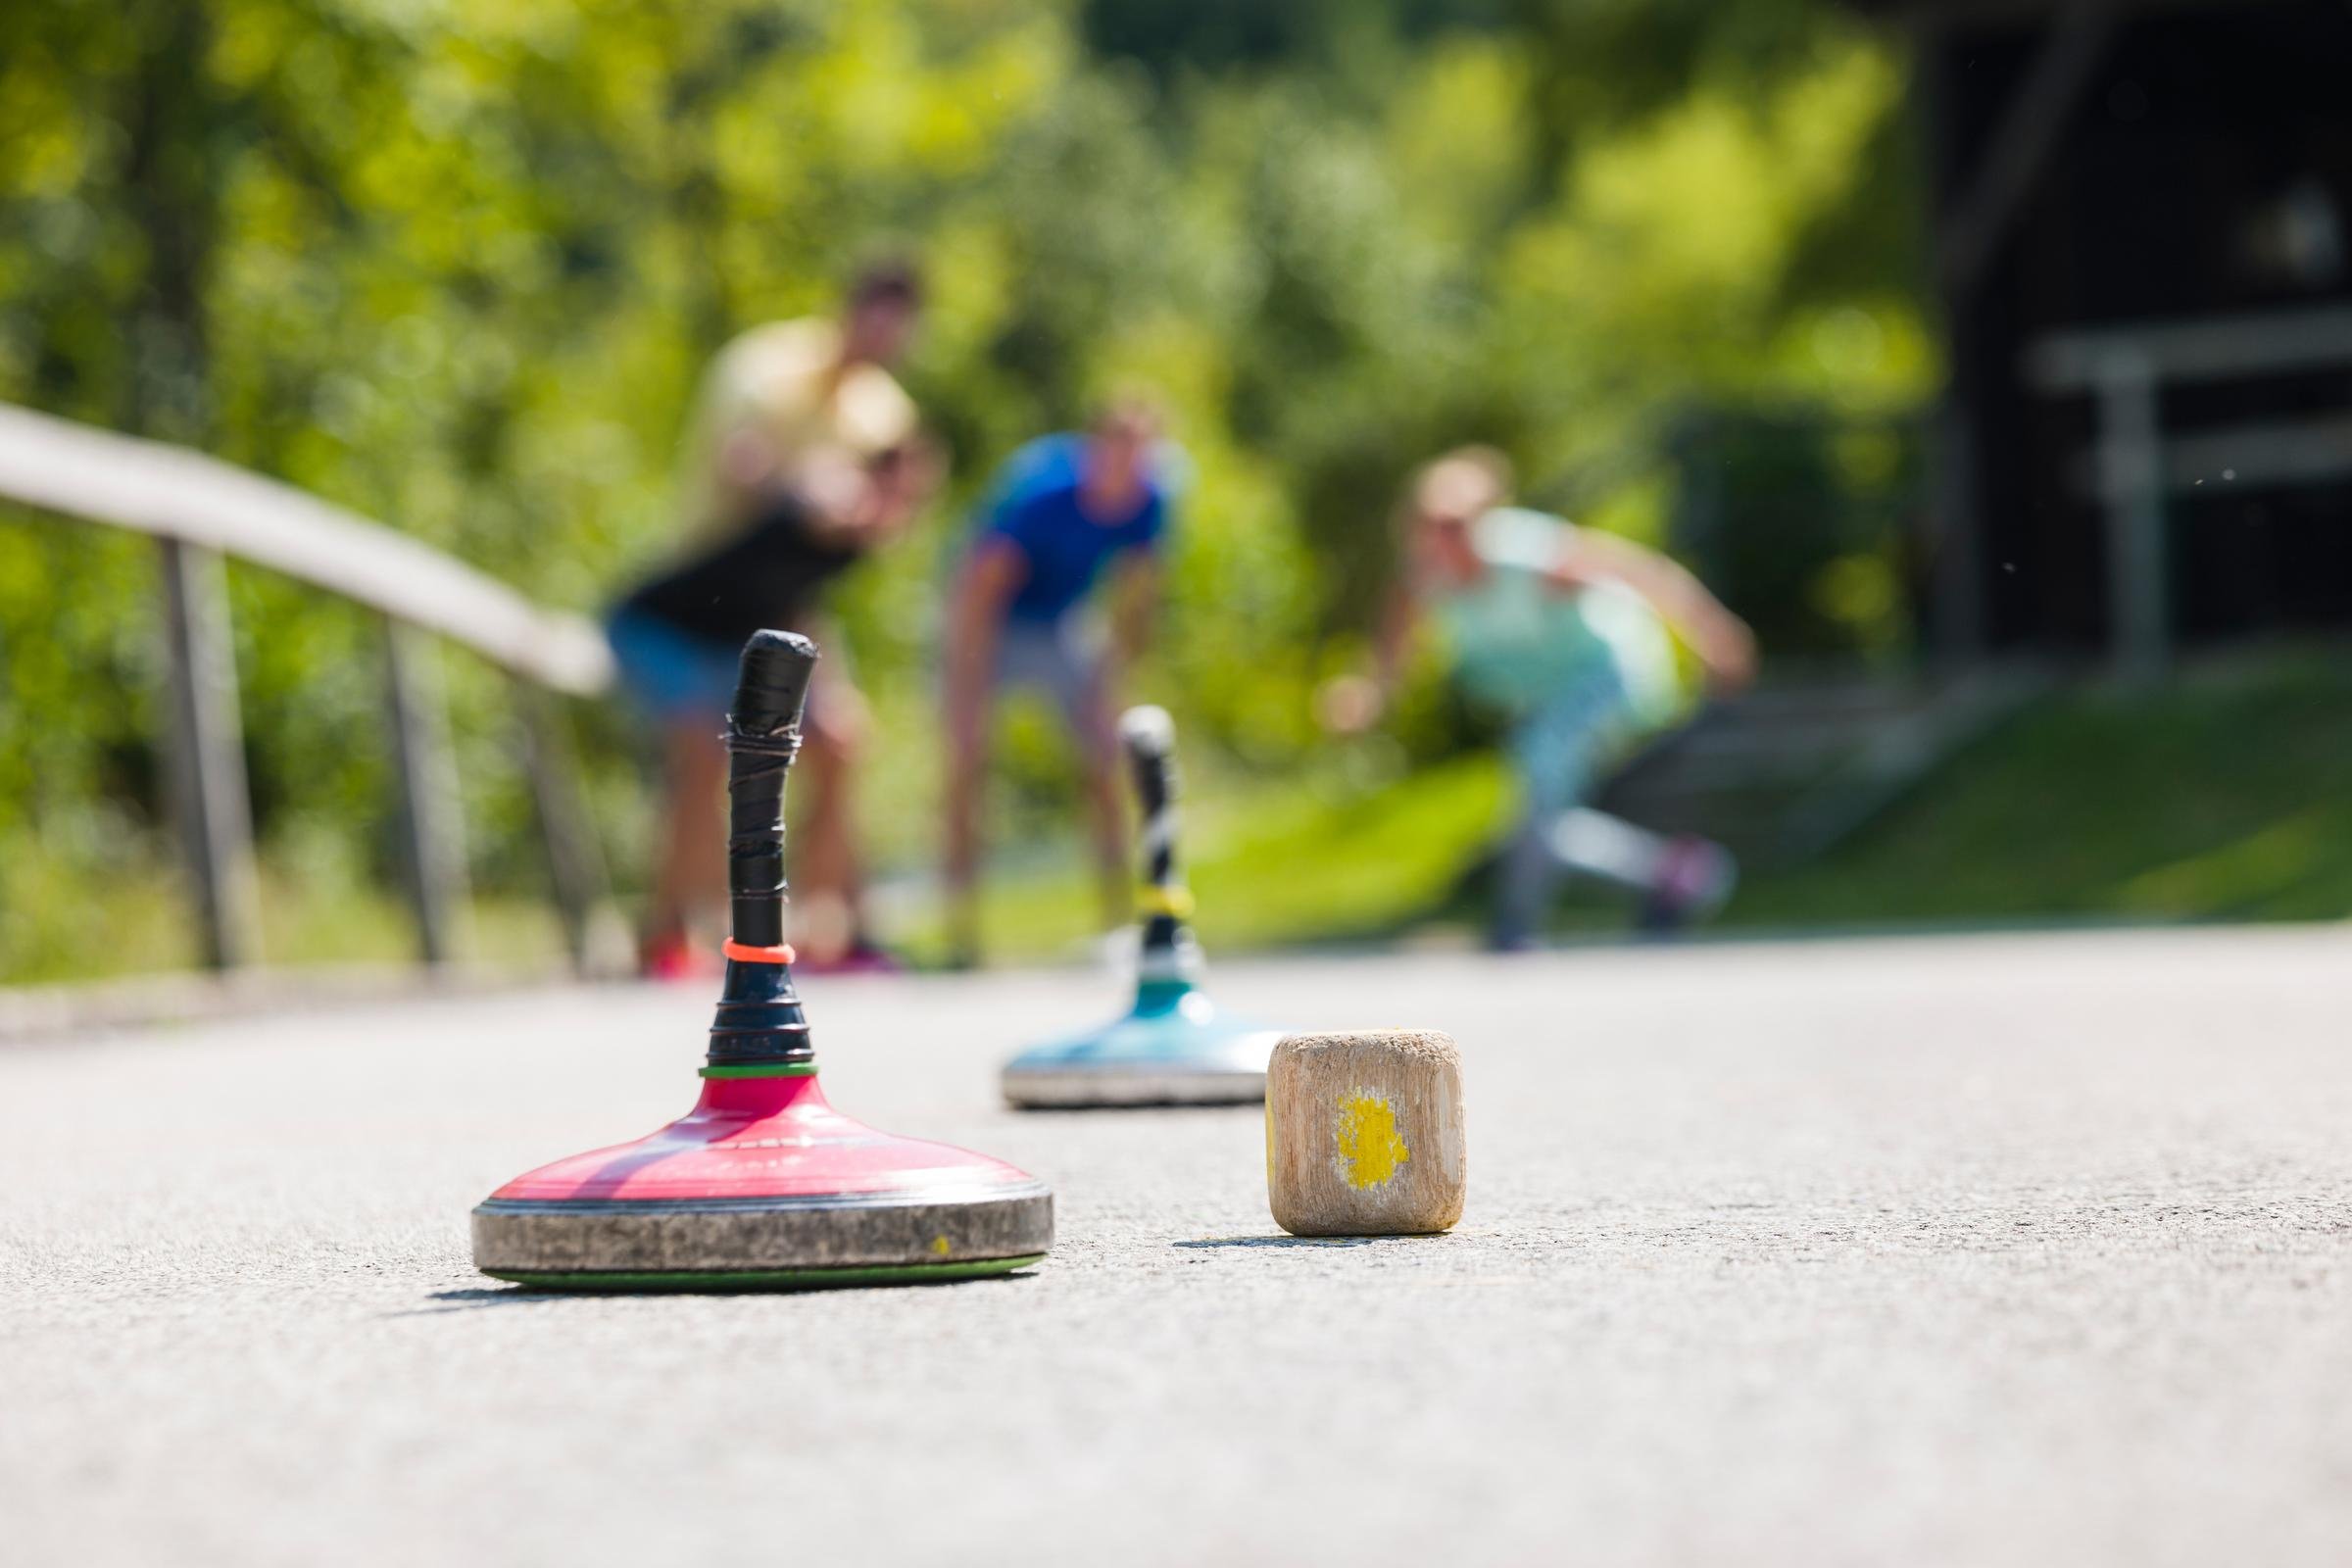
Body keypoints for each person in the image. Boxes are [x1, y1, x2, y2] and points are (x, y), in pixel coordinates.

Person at [608, 262, 933, 977]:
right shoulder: (765, 367)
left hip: (779, 609)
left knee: (841, 741)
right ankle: (668, 933)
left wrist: (864, 513)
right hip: (691, 605)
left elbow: (886, 514)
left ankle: (825, 934)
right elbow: (742, 465)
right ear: (850, 311)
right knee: (703, 745)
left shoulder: (885, 412)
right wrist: (803, 486)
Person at [1323, 447, 1758, 948]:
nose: (1443, 539)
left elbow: (1639, 572)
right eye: (1430, 525)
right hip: (1552, 693)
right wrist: (1368, 696)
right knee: (1542, 812)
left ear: (1482, 521)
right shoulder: (1425, 579)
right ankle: (1672, 874)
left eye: (1455, 525)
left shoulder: (1527, 555)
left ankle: (1515, 924)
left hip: (1613, 675)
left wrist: (1711, 632)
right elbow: (1392, 652)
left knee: (1538, 763)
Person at [941, 398, 1180, 966]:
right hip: (987, 619)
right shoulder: (1042, 495)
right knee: (968, 763)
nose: (1125, 470)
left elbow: (1137, 596)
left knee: (1105, 756)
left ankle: (1123, 924)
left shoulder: (1151, 500)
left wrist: (1111, 679)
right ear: (1094, 451)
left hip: (1061, 622)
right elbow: (980, 591)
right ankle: (961, 933)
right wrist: (968, 695)